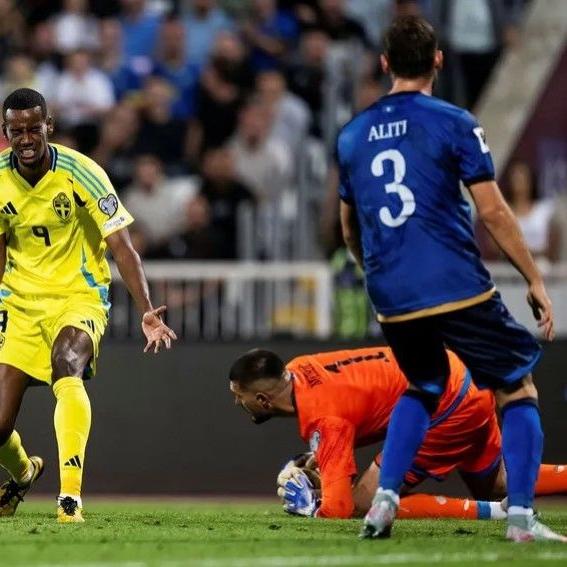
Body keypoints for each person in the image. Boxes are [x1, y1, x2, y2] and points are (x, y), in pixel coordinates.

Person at [336, 16, 561, 541]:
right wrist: (533, 278)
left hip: (391, 291)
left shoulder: (352, 136)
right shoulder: (455, 122)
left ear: (385, 63)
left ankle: (384, 500)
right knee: (516, 387)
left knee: (423, 385)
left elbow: (349, 228)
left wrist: (378, 274)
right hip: (453, 281)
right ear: (438, 60)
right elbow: (493, 211)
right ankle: (521, 519)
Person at [0, 88, 177, 523]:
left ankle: (70, 497)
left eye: (34, 128)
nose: (26, 138)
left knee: (66, 367)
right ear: (5, 132)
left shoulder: (83, 173)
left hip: (78, 296)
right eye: (17, 131)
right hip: (19, 303)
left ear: (48, 126)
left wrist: (146, 307)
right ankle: (24, 473)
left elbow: (122, 247)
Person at [228, 348, 567, 520]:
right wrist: (324, 460)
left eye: (238, 396)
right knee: (498, 484)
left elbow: (339, 509)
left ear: (263, 399)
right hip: (460, 375)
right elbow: (356, 404)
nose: (236, 402)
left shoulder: (323, 418)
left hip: (446, 406)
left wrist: (310, 505)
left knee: (366, 503)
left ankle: (501, 514)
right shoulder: (299, 368)